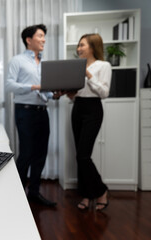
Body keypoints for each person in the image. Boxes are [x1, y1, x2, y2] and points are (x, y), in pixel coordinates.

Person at [5, 24, 61, 207]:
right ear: (29, 40)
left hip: (42, 112)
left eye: (44, 36)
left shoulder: (45, 64)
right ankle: (18, 195)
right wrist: (33, 87)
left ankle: (34, 193)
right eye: (40, 36)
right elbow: (9, 86)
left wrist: (54, 95)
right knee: (26, 154)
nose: (44, 39)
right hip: (25, 112)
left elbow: (45, 92)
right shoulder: (17, 60)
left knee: (40, 154)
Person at [67, 33, 111, 211]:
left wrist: (87, 74)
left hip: (93, 110)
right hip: (78, 108)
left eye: (82, 45)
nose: (78, 48)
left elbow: (104, 93)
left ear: (93, 47)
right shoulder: (77, 66)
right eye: (78, 45)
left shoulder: (103, 65)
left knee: (83, 156)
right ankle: (86, 195)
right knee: (80, 155)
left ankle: (101, 191)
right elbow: (78, 92)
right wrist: (70, 95)